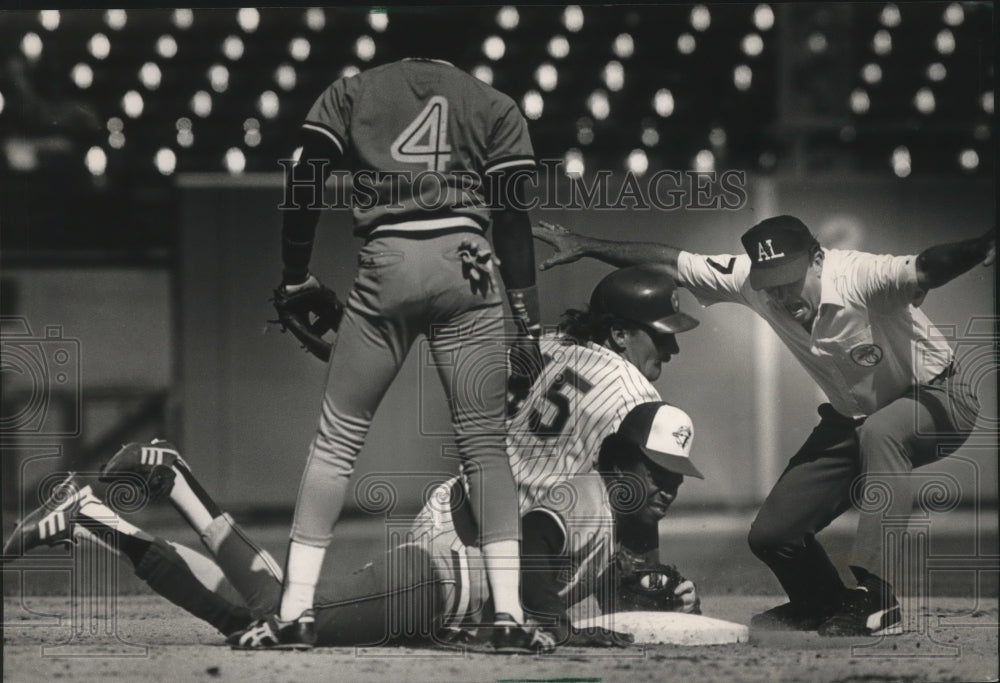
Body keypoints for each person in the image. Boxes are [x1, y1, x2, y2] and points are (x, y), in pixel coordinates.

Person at [533, 215, 994, 636]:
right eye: (771, 285)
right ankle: (820, 602)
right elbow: (671, 262)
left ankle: (878, 595)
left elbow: (929, 267)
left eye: (791, 281)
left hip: (939, 398)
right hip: (854, 418)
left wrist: (981, 244)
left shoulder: (857, 275)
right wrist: (585, 243)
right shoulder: (750, 280)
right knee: (773, 534)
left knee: (883, 432)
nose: (781, 296)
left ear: (818, 260)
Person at [260, 22, 545, 650]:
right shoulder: (492, 102)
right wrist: (529, 318)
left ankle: (298, 610)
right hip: (469, 268)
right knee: (485, 449)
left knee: (337, 442)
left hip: (388, 262)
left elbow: (304, 179)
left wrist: (293, 274)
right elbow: (514, 218)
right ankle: (509, 617)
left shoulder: (353, 91)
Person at [1, 400, 703, 649]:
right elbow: (543, 549)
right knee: (283, 615)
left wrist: (648, 590)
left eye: (674, 477)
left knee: (260, 618)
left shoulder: (608, 514)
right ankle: (162, 485)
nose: (666, 487)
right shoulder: (589, 495)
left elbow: (580, 574)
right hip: (434, 584)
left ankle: (99, 515)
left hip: (440, 589)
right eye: (658, 471)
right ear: (621, 461)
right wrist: (561, 622)